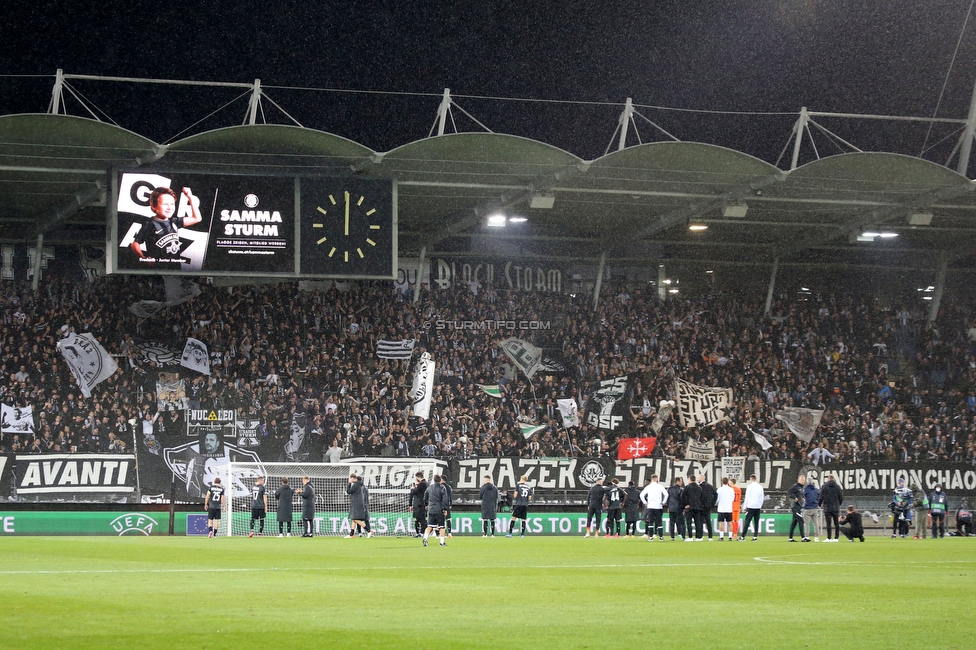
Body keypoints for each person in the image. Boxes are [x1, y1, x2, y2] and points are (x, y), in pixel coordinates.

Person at [130, 186, 202, 266]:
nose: (169, 208)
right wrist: (143, 258)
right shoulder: (150, 223)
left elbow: (197, 218)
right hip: (158, 270)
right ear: (154, 206)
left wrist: (190, 197)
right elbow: (135, 244)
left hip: (175, 269)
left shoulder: (174, 221)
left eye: (172, 204)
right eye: (165, 204)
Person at [422, 474, 449, 547]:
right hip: (439, 509)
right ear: (440, 480)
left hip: (431, 510)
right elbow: (445, 499)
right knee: (442, 527)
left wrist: (426, 505)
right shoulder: (442, 487)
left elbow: (425, 498)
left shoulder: (429, 488)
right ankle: (442, 542)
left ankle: (425, 538)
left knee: (429, 526)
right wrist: (445, 509)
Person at [640, 474, 669, 541]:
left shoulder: (648, 487)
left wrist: (645, 502)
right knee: (659, 522)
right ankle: (661, 537)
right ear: (656, 479)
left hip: (650, 506)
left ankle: (651, 537)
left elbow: (641, 495)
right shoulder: (660, 486)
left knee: (650, 522)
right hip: (658, 506)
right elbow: (666, 494)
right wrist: (663, 502)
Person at [819, 473, 844, 542]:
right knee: (836, 523)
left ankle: (829, 537)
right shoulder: (837, 487)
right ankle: (836, 538)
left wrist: (819, 504)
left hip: (827, 507)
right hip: (835, 507)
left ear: (828, 479)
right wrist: (838, 504)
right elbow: (841, 497)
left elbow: (821, 497)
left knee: (828, 523)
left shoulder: (824, 486)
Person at [740, 474, 764, 541]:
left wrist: (744, 507)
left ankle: (742, 537)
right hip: (757, 507)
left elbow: (747, 497)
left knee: (747, 522)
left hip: (750, 506)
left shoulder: (749, 486)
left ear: (751, 479)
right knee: (756, 523)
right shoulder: (760, 487)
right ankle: (755, 537)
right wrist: (760, 505)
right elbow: (761, 497)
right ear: (756, 479)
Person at [346, 473, 369, 538]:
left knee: (356, 519)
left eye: (350, 479)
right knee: (353, 519)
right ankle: (351, 534)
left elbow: (348, 491)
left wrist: (349, 484)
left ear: (352, 478)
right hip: (358, 504)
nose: (350, 480)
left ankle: (369, 531)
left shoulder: (356, 485)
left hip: (357, 504)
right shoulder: (360, 485)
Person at [682, 474, 703, 541]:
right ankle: (698, 537)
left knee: (689, 523)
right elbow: (702, 497)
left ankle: (690, 537)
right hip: (697, 507)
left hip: (689, 508)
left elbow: (682, 497)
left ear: (689, 479)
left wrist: (686, 504)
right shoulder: (699, 488)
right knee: (698, 523)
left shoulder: (687, 487)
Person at [787, 475, 806, 542]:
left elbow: (800, 495)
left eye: (803, 480)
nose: (803, 481)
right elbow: (789, 492)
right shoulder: (796, 486)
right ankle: (803, 538)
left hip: (799, 506)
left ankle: (790, 538)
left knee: (794, 523)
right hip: (795, 507)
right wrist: (794, 497)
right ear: (798, 480)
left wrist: (803, 498)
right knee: (801, 521)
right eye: (801, 480)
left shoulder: (802, 487)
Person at [802, 477, 822, 542]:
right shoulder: (816, 490)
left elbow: (803, 497)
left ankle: (807, 536)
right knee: (815, 523)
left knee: (807, 523)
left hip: (807, 508)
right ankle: (816, 537)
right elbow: (818, 497)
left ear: (807, 482)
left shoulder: (805, 489)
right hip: (815, 508)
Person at [698, 473, 717, 541]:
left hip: (701, 506)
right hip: (708, 506)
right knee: (708, 521)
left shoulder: (699, 486)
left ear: (702, 478)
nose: (697, 479)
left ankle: (700, 536)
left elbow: (698, 496)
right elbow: (715, 494)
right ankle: (710, 536)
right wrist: (712, 503)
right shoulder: (710, 486)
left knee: (700, 521)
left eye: (698, 478)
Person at [667, 476, 685, 541]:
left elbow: (667, 498)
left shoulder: (669, 489)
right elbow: (682, 499)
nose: (681, 483)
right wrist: (683, 507)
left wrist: (668, 506)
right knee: (681, 523)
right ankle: (683, 536)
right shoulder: (681, 489)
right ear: (677, 482)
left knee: (672, 523)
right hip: (679, 508)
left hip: (671, 508)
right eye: (681, 481)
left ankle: (672, 537)